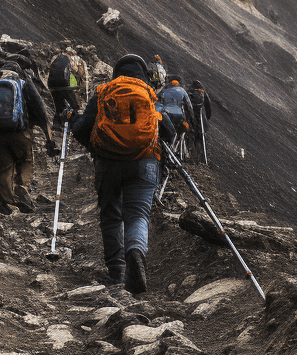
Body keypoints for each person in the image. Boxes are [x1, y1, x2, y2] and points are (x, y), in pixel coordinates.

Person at [72, 53, 175, 294]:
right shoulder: (150, 93)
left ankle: (117, 270)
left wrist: (97, 148)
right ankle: (136, 252)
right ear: (143, 73)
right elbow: (168, 130)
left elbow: (82, 129)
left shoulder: (103, 91)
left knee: (110, 214)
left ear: (116, 72)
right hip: (145, 164)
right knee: (138, 215)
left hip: (107, 164)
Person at [0, 59, 55, 213]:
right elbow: (41, 111)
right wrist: (48, 138)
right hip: (20, 132)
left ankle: (7, 202)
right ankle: (21, 187)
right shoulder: (24, 82)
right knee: (26, 160)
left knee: (3, 168)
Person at [47, 46, 89, 129]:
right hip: (64, 85)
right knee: (75, 106)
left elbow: (50, 68)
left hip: (52, 85)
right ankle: (77, 125)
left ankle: (57, 124)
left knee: (58, 106)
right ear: (72, 54)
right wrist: (79, 85)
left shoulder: (56, 58)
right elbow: (78, 72)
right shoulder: (73, 59)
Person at [157, 75, 194, 154]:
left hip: (166, 115)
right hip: (178, 116)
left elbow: (158, 103)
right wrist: (191, 119)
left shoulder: (164, 90)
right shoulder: (182, 90)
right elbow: (189, 106)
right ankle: (177, 149)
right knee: (181, 130)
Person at [187, 79, 212, 158]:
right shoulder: (202, 93)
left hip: (190, 115)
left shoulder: (189, 92)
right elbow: (208, 106)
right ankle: (201, 154)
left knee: (190, 132)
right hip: (200, 117)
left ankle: (189, 151)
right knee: (201, 133)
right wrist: (208, 117)